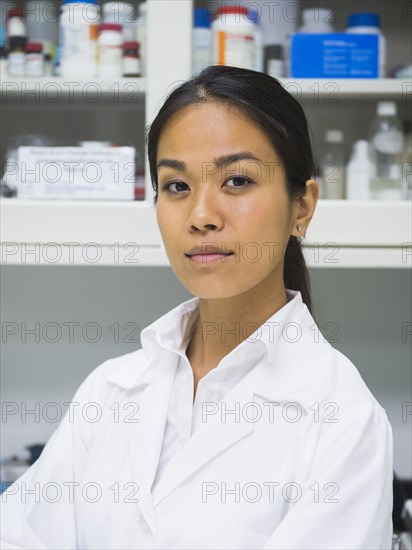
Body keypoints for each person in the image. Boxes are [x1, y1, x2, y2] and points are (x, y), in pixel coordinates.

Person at [1, 65, 393, 549]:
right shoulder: (110, 390)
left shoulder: (344, 420)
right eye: (177, 186)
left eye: (237, 181)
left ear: (302, 207)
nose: (202, 216)